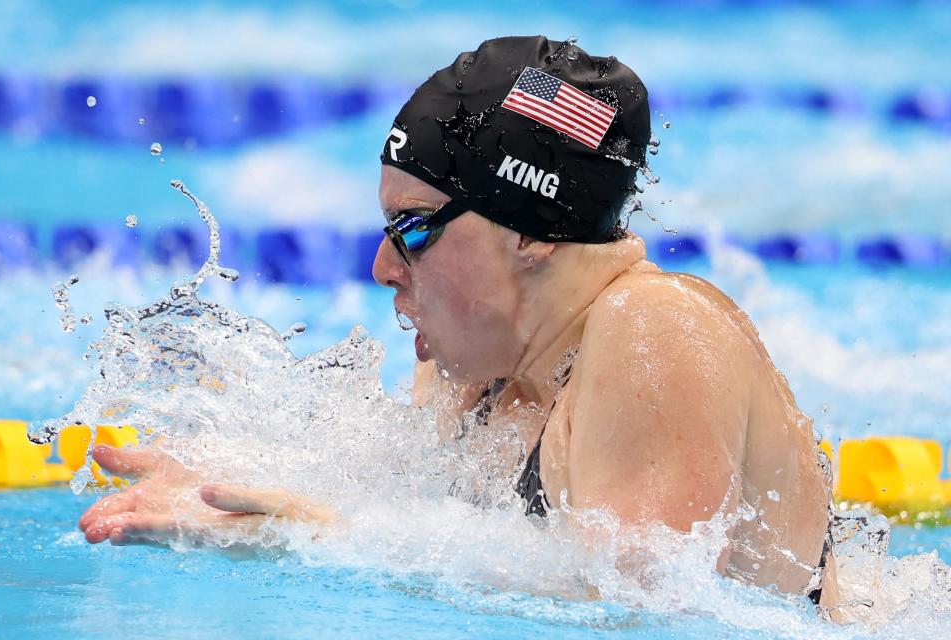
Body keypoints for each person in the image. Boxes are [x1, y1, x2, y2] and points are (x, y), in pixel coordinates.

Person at [77, 36, 838, 608]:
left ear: (532, 231)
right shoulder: (472, 366)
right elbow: (425, 527)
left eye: (413, 229)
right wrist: (239, 489)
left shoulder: (657, 330)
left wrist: (322, 533)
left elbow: (646, 607)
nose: (381, 267)